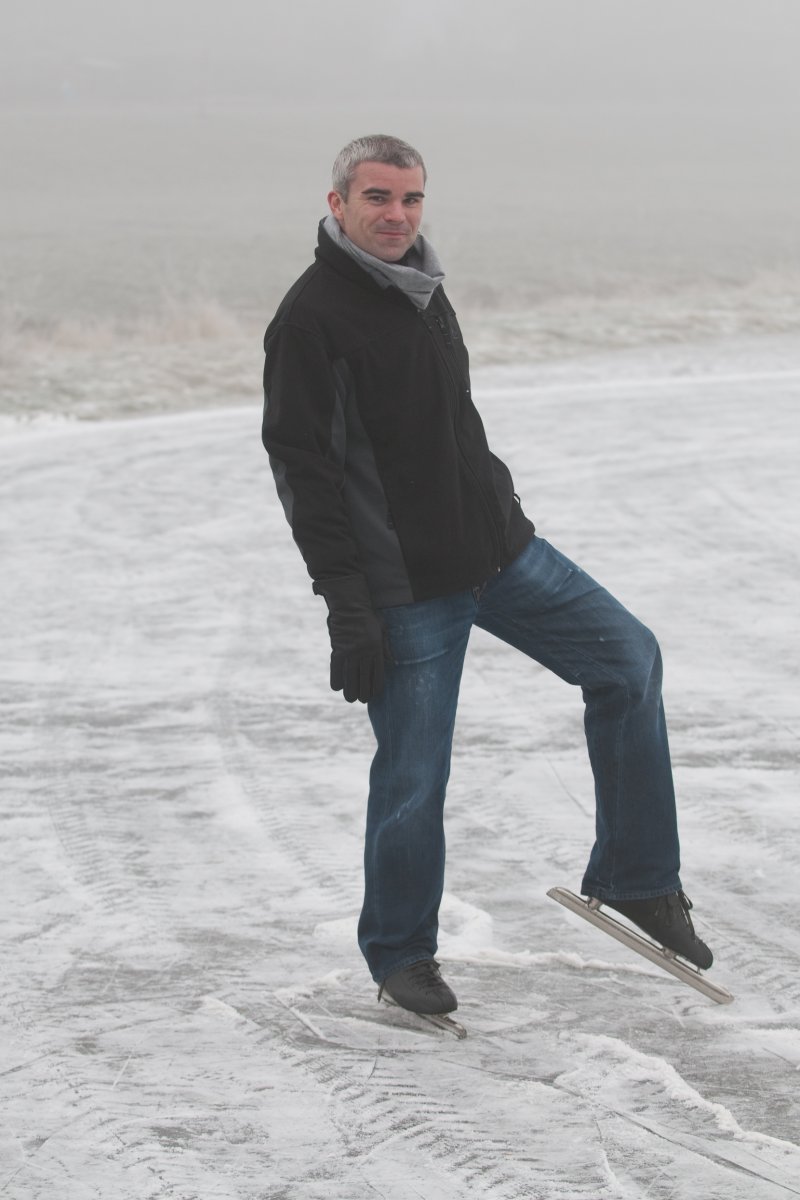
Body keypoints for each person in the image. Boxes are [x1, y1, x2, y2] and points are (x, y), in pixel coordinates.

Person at [262, 134, 713, 1017]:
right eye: (378, 197)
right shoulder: (311, 320)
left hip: (500, 552)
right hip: (408, 588)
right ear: (337, 202)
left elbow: (450, 423)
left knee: (629, 659)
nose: (397, 215)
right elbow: (305, 474)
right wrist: (348, 608)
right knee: (414, 773)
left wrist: (498, 504)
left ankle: (637, 877)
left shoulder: (421, 286)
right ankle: (401, 954)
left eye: (411, 198)